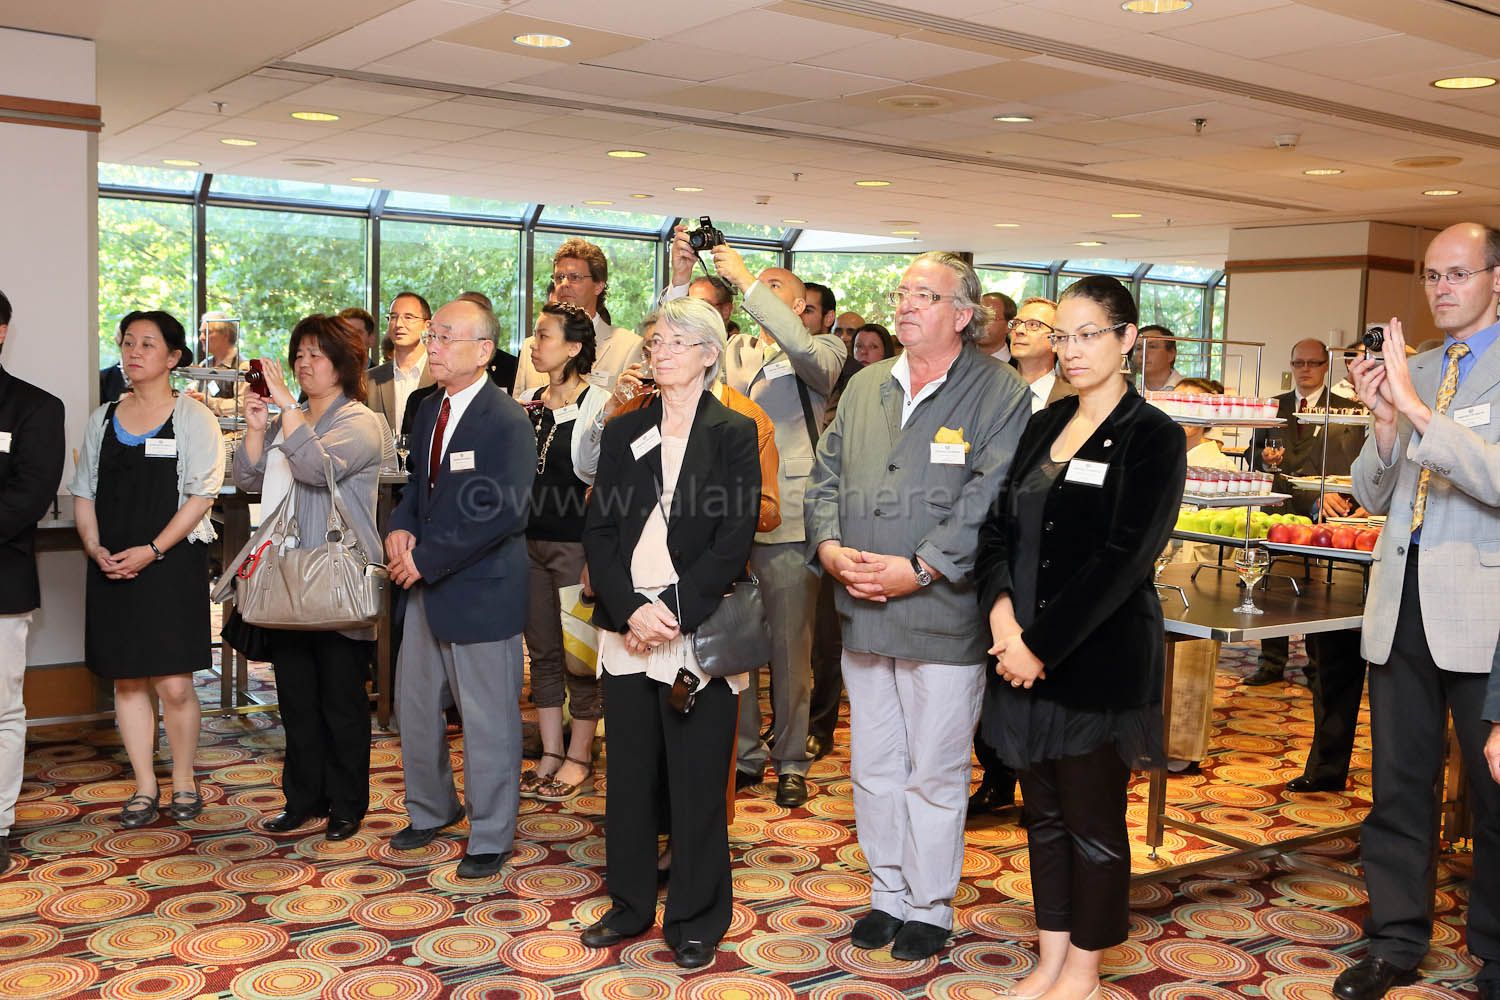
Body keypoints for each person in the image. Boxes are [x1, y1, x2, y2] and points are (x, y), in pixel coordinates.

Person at [806, 251, 1031, 961]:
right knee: (873, 766)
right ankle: (887, 895)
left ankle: (930, 904)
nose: (905, 305)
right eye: (902, 293)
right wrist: (829, 547)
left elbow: (988, 494)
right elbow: (825, 474)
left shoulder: (999, 391)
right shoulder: (867, 383)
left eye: (925, 295)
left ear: (963, 315)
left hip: (943, 614)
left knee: (934, 770)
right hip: (862, 607)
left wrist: (922, 566)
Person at [975, 275, 1185, 999]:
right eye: (1062, 336)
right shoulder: (1045, 422)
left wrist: (1039, 645)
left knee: (1093, 825)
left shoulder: (1152, 435)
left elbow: (1124, 560)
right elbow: (998, 529)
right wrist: (1003, 619)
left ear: (1127, 339)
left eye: (1089, 334)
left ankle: (1086, 970)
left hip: (1095, 661)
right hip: (1019, 649)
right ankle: (1050, 958)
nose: (1072, 350)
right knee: (1043, 819)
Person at [1336, 222, 1500, 1000]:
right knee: (1399, 786)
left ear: (1496, 279)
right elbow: (1374, 494)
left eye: (1458, 274)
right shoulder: (1420, 368)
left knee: (1493, 796)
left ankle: (1496, 950)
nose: (1441, 289)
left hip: (1484, 617)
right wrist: (1384, 422)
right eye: (1432, 276)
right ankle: (1396, 939)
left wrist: (1417, 411)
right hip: (1400, 605)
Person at [579, 296, 760, 971]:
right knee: (629, 778)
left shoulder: (733, 431)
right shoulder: (627, 428)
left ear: (709, 354)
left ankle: (696, 917)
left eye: (677, 341)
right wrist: (630, 608)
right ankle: (629, 904)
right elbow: (599, 530)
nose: (660, 351)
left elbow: (733, 537)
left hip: (695, 627)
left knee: (696, 781)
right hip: (628, 628)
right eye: (656, 341)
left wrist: (672, 612)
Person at [675, 229, 845, 808]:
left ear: (797, 305)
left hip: (789, 520)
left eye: (774, 287)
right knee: (735, 639)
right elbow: (680, 342)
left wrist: (749, 279)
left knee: (791, 650)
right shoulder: (736, 348)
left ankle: (791, 758)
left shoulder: (823, 351)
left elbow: (800, 346)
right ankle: (745, 753)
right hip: (728, 520)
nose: (756, 293)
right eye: (756, 286)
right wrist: (682, 277)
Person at [385, 297, 536, 880]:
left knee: (488, 719)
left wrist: (425, 559)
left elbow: (502, 511)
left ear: (484, 351)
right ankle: (431, 809)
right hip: (425, 584)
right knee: (416, 709)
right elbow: (416, 491)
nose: (435, 345)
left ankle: (491, 833)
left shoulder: (506, 420)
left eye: (447, 336)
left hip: (481, 590)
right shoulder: (430, 408)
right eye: (435, 336)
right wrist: (401, 528)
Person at [232, 315, 385, 841]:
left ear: (343, 364)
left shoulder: (360, 422)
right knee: (296, 698)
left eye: (316, 354)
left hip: (337, 577)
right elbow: (249, 479)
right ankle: (303, 798)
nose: (303, 363)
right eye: (299, 353)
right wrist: (258, 428)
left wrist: (286, 409)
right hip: (286, 577)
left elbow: (316, 470)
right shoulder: (288, 420)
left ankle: (347, 804)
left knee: (341, 700)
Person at [71, 310, 225, 827]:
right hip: (113, 564)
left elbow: (201, 496)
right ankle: (144, 785)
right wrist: (94, 548)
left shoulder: (193, 417)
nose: (133, 352)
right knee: (129, 682)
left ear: (173, 357)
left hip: (170, 564)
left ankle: (183, 779)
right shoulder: (103, 417)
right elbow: (84, 492)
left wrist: (153, 549)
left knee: (174, 684)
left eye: (148, 344)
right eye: (128, 342)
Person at [1246, 340, 1369, 793]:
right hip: (1292, 521)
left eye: (1312, 363)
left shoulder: (1350, 412)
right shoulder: (1273, 408)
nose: (1304, 369)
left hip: (1346, 532)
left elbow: (1357, 473)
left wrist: (1348, 499)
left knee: (1337, 649)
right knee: (1277, 601)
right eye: (1296, 362)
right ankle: (1274, 662)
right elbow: (1259, 466)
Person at [517, 303, 601, 802]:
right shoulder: (528, 402)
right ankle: (551, 750)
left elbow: (600, 481)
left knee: (580, 657)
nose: (534, 344)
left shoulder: (598, 403)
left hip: (575, 545)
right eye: (535, 334)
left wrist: (596, 558)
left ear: (573, 347)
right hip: (528, 543)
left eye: (544, 336)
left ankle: (580, 755)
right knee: (543, 652)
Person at [0, 290, 66, 872]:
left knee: (1, 709)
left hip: (2, 581)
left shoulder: (34, 408)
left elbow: (27, 496)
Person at [515, 239, 644, 394]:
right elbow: (517, 407)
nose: (564, 284)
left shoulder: (628, 347)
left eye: (575, 277)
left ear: (598, 286)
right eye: (559, 277)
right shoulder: (531, 346)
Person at [368, 291, 433, 435]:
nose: (398, 324)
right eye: (393, 317)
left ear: (427, 325)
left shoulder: (441, 377)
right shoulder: (369, 380)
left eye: (408, 317)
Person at [1010, 297, 1076, 413]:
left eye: (1033, 325)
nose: (1019, 330)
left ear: (1056, 340)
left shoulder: (1077, 400)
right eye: (1016, 323)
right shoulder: (991, 389)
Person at [190, 312, 248, 420]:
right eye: (201, 332)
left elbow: (243, 406)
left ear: (225, 335)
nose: (201, 337)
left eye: (207, 332)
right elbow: (193, 390)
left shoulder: (243, 367)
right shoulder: (204, 365)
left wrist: (208, 401)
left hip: (229, 431)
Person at [1140, 324, 1184, 390]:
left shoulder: (1190, 390)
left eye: (1152, 347)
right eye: (1138, 348)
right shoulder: (1131, 391)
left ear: (1171, 354)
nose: (1143, 354)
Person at [978, 291, 1017, 362]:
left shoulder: (1021, 365)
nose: (980, 322)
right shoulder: (959, 360)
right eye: (977, 316)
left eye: (989, 318)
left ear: (1010, 325)